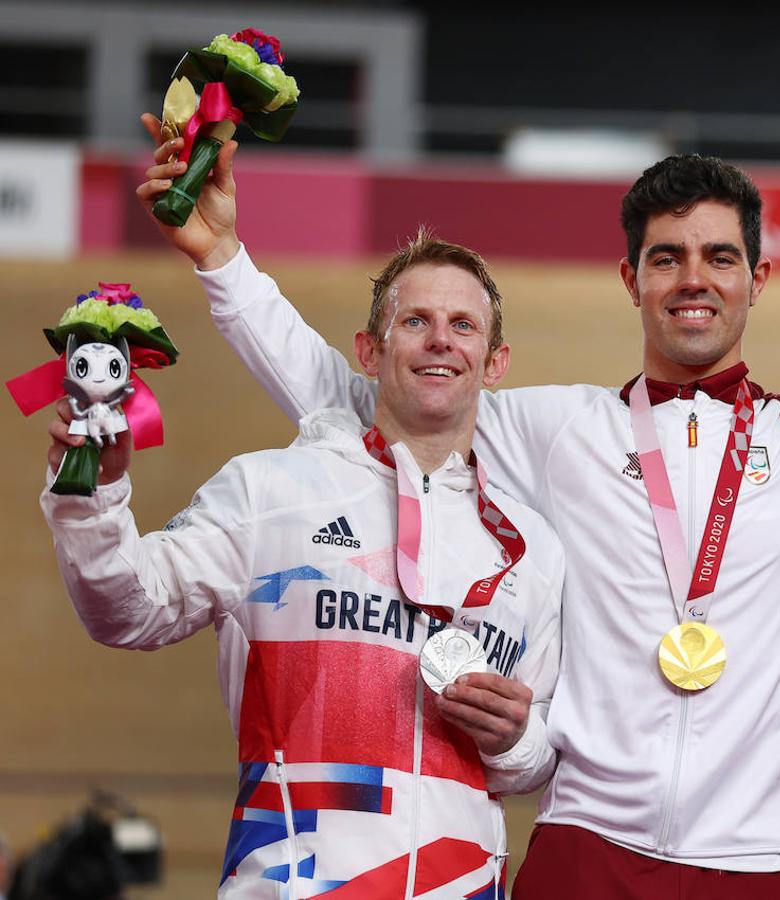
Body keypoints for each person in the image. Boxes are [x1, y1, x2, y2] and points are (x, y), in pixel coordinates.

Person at [135, 117, 780, 898]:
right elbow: (363, 397)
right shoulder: (557, 429)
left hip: (767, 856)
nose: (692, 280)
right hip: (588, 846)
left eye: (719, 257)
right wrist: (222, 260)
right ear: (630, 278)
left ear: (758, 278)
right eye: (665, 258)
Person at [41, 232, 565, 898]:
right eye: (415, 321)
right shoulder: (271, 493)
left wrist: (518, 737)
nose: (440, 340)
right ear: (369, 352)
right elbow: (128, 610)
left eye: (462, 325)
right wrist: (93, 498)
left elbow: (535, 759)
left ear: (494, 363)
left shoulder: (534, 551)